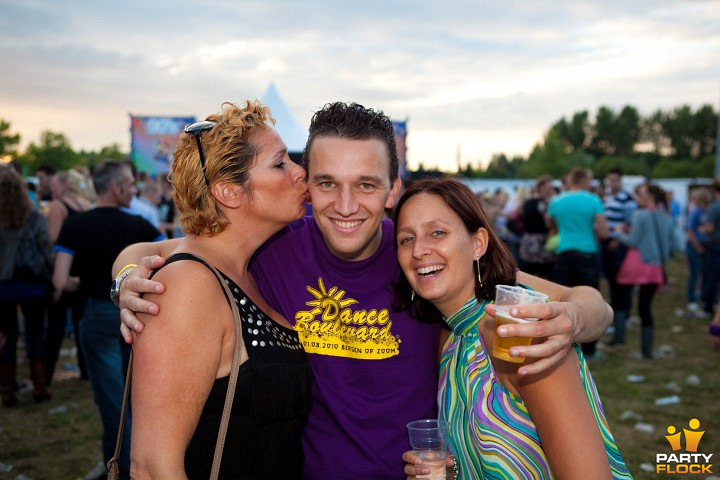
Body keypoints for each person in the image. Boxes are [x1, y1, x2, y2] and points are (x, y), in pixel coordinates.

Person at [113, 102, 612, 479]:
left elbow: (586, 300)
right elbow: (151, 250)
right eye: (328, 183)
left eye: (367, 185)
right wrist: (124, 280)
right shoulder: (274, 247)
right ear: (307, 183)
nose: (346, 205)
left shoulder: (423, 260)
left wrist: (570, 323)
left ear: (394, 189)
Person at [122, 101, 312, 478]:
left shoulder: (242, 269)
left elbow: (150, 251)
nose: (299, 171)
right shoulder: (189, 287)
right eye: (280, 164)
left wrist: (124, 271)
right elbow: (153, 466)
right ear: (229, 192)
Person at [397, 178, 630, 480]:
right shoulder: (449, 341)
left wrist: (579, 314)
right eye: (406, 239)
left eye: (437, 232)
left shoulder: (521, 335)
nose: (419, 250)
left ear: (477, 243)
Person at [52, 161, 166, 477]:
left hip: (97, 313)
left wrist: (86, 282)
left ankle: (118, 467)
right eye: (130, 184)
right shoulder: (142, 227)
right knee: (140, 398)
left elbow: (60, 280)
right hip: (141, 315)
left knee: (112, 401)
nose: (135, 189)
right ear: (116, 187)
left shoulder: (75, 226)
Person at [0, 166, 54, 406]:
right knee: (35, 333)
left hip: (3, 285)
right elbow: (46, 248)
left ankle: (7, 390)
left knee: (6, 337)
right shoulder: (33, 215)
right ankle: (39, 386)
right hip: (33, 283)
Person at [548, 166, 609, 358]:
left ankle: (560, 346)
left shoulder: (556, 201)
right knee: (591, 302)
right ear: (584, 180)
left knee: (562, 299)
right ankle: (590, 351)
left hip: (564, 253)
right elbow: (604, 231)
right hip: (586, 254)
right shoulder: (593, 200)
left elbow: (550, 225)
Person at [615, 183, 676, 359]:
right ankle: (647, 352)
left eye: (641, 193)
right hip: (655, 267)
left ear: (650, 196)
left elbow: (632, 241)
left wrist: (619, 232)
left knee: (620, 297)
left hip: (637, 264)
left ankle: (619, 336)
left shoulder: (640, 215)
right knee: (646, 308)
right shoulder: (666, 217)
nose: (637, 197)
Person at [46, 168, 95, 384]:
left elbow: (54, 241)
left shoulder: (59, 206)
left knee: (55, 326)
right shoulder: (86, 205)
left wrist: (56, 280)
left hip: (64, 272)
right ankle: (86, 371)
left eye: (55, 184)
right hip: (83, 272)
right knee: (80, 324)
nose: (51, 188)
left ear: (65, 185)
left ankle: (45, 374)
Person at [601, 168, 636, 345]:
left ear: (620, 181)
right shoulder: (608, 198)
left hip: (618, 246)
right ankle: (618, 318)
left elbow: (631, 224)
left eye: (614, 180)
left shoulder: (626, 199)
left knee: (620, 285)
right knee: (613, 284)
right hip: (607, 245)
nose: (611, 183)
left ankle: (623, 318)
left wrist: (618, 240)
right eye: (609, 180)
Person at [518, 175, 556, 279]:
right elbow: (548, 223)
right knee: (545, 275)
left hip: (528, 241)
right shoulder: (544, 204)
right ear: (542, 187)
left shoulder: (527, 202)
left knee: (528, 276)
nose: (551, 190)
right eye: (550, 187)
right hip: (542, 244)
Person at [685, 187, 712, 317]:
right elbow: (690, 230)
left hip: (704, 246)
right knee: (695, 273)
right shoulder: (695, 211)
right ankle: (691, 299)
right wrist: (697, 246)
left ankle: (699, 295)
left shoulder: (705, 211)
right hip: (695, 246)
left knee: (703, 273)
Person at [701, 178, 720, 316]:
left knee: (711, 277)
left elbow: (709, 228)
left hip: (715, 245)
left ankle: (709, 307)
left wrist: (702, 229)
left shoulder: (715, 207)